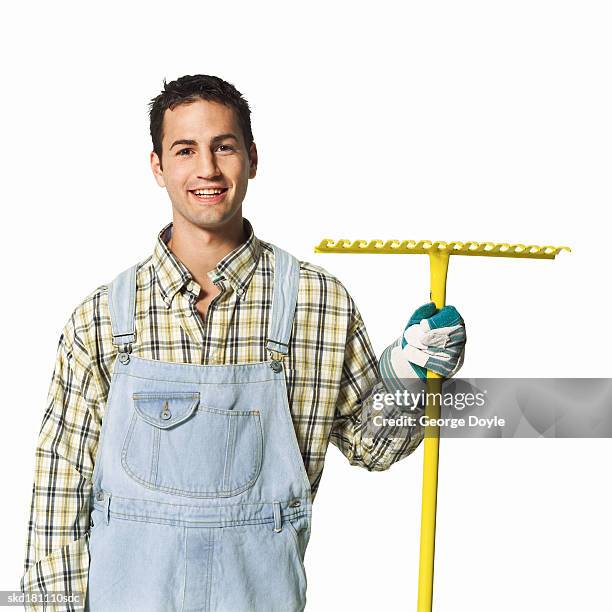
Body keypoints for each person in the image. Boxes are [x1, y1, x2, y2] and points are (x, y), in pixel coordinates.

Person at [20, 74, 466, 611]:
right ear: (158, 167)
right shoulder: (100, 320)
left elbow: (375, 446)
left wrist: (413, 371)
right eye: (185, 150)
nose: (206, 168)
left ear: (252, 157)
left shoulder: (316, 304)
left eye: (223, 147)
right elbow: (58, 494)